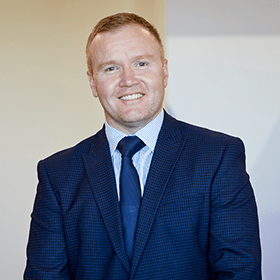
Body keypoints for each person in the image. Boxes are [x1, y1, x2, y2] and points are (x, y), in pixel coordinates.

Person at [24, 12, 261, 279]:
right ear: (92, 82)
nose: (128, 80)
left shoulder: (218, 157)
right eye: (110, 68)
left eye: (141, 63)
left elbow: (239, 271)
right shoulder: (57, 174)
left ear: (165, 71)